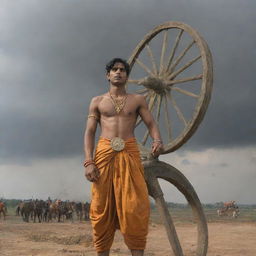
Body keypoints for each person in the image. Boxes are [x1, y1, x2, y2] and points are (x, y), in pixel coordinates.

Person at [84, 58, 163, 256]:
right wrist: (88, 162)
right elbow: (90, 132)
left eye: (122, 70)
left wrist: (157, 140)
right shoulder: (97, 101)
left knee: (134, 207)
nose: (118, 72)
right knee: (101, 208)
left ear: (127, 76)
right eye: (114, 69)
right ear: (107, 75)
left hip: (129, 152)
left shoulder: (138, 100)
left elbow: (151, 123)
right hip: (103, 155)